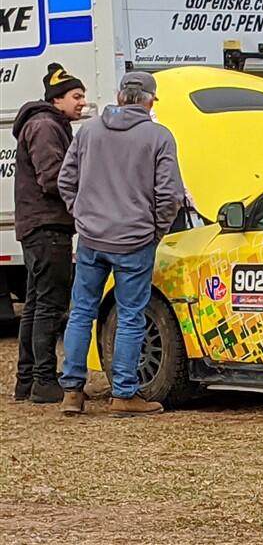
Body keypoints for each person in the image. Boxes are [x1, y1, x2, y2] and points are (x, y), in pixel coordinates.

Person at [57, 71, 184, 416]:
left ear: (119, 95)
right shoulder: (158, 136)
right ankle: (124, 394)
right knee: (130, 316)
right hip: (135, 240)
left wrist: (82, 216)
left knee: (81, 311)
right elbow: (170, 194)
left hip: (91, 238)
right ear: (149, 100)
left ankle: (72, 391)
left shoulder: (89, 131)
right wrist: (156, 230)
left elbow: (66, 181)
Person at [11, 63, 87, 403]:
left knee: (35, 304)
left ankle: (27, 379)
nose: (82, 102)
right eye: (76, 95)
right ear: (57, 99)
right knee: (49, 306)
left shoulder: (46, 123)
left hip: (37, 225)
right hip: (47, 226)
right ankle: (44, 380)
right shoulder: (45, 126)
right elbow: (53, 179)